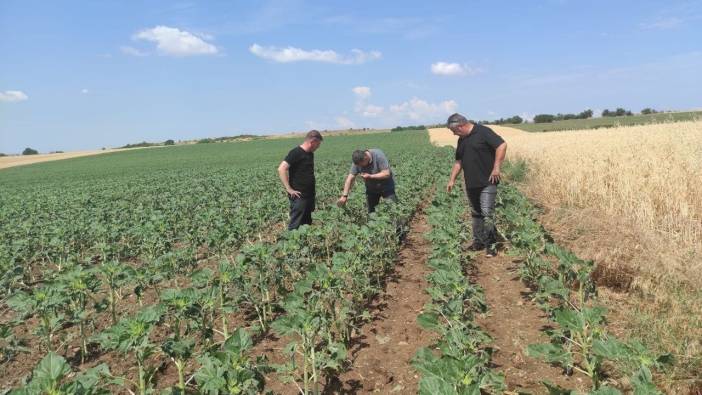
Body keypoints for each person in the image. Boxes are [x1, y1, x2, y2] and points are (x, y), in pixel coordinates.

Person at [445, 113, 507, 257]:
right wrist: (452, 180)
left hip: (488, 181)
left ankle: (491, 245)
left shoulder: (483, 132)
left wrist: (496, 167)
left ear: (460, 126)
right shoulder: (462, 140)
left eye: (454, 131)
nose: (454, 134)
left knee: (486, 212)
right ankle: (478, 242)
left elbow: (502, 145)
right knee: (476, 213)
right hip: (471, 183)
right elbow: (458, 162)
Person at [277, 130, 323, 230]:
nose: (318, 147)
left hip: (309, 195)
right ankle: (291, 243)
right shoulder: (296, 152)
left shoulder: (310, 153)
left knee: (307, 223)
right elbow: (281, 169)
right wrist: (289, 189)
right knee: (295, 224)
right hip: (299, 196)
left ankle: (305, 242)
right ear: (313, 142)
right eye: (318, 144)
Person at [337, 149, 397, 213]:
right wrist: (344, 196)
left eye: (361, 165)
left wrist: (370, 176)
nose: (360, 167)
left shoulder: (378, 155)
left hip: (386, 187)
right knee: (371, 212)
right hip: (371, 189)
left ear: (365, 158)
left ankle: (398, 223)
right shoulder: (357, 162)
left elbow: (386, 174)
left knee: (392, 210)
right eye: (359, 165)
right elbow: (350, 178)